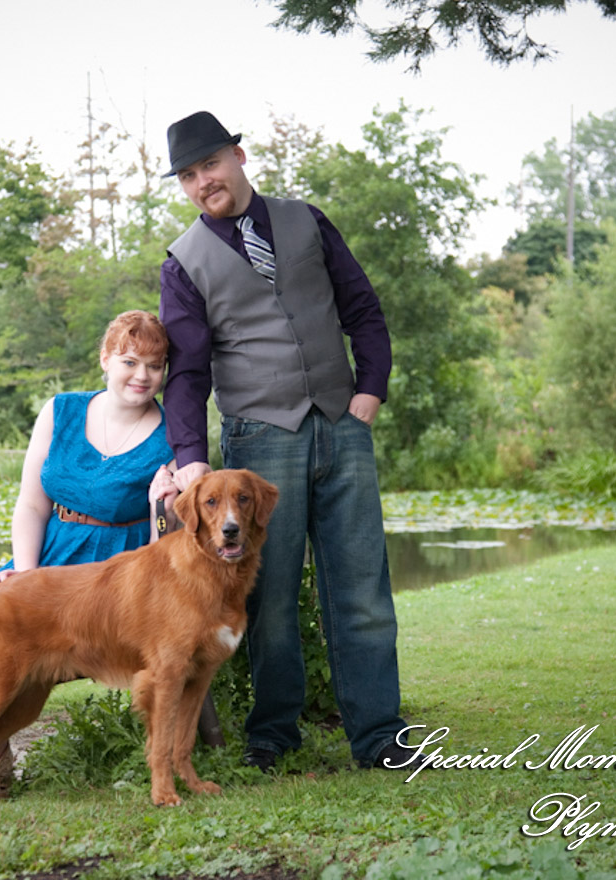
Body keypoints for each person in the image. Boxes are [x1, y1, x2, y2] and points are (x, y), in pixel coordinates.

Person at [157, 110, 419, 771]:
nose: (201, 183)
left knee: (362, 588)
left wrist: (370, 391)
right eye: (188, 176)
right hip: (258, 439)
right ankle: (272, 737)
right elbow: (187, 373)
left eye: (209, 165)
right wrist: (190, 459)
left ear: (238, 157)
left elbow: (363, 309)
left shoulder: (307, 220)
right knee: (267, 595)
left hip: (341, 424)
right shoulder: (184, 263)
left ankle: (380, 739)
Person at [0, 310, 178, 747]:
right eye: (129, 361)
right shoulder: (62, 411)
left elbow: (162, 550)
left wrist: (159, 505)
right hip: (47, 554)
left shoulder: (172, 435)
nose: (142, 376)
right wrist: (24, 572)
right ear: (105, 359)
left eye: (154, 366)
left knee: (13, 637)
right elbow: (33, 504)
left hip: (113, 572)